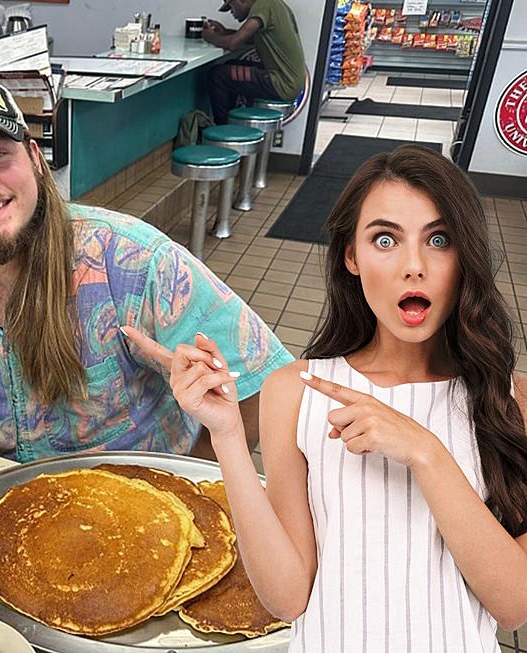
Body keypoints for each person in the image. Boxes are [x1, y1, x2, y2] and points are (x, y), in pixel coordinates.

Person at [125, 145, 527, 650]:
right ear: (351, 256)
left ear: (466, 254)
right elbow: (288, 598)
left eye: (439, 239)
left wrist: (425, 453)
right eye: (385, 239)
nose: (414, 266)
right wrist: (226, 434)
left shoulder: (510, 401)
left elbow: (512, 604)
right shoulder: (296, 391)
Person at [0, 76, 292, 462]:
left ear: (33, 159)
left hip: (143, 503)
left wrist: (189, 492)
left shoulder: (132, 260)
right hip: (9, 509)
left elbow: (266, 383)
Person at [201, 0, 305, 124]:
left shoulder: (263, 6)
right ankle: (230, 122)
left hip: (282, 83)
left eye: (231, 7)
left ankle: (223, 128)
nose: (231, 13)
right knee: (230, 65)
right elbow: (246, 38)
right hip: (289, 80)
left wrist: (209, 36)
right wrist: (223, 31)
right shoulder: (274, 5)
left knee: (218, 75)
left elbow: (233, 43)